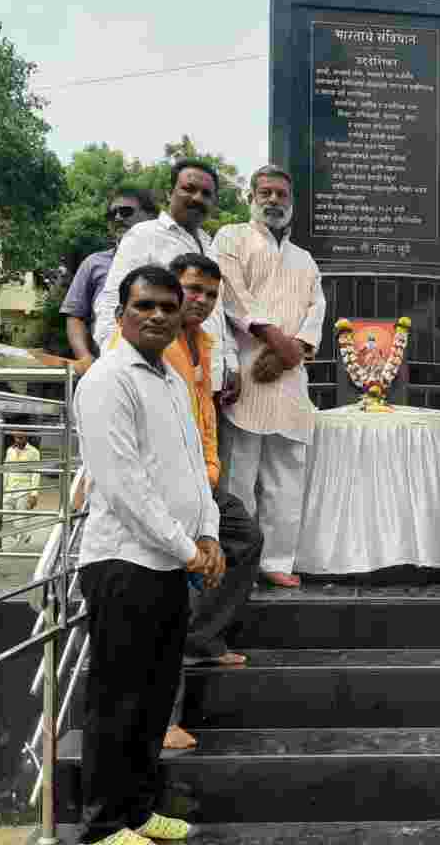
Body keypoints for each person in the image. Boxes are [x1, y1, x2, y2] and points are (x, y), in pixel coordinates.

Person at [76, 264, 225, 845]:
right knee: (118, 699)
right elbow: (123, 485)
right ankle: (104, 824)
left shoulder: (169, 380)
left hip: (168, 563)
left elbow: (193, 469)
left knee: (154, 698)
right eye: (145, 306)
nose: (159, 315)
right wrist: (189, 548)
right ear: (121, 315)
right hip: (123, 563)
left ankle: (138, 810)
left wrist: (208, 535)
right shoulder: (109, 379)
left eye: (168, 305)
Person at [162, 253, 263, 750]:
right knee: (176, 590)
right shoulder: (153, 343)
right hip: (167, 487)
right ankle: (163, 719)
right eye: (191, 289)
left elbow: (203, 420)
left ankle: (204, 639)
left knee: (244, 537)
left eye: (208, 293)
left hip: (203, 479)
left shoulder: (202, 342)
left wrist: (210, 478)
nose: (198, 299)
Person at [214, 164, 326, 588]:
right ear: (251, 197)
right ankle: (239, 561)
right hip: (245, 372)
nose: (274, 200)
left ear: (291, 201)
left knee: (286, 477)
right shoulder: (231, 238)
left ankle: (277, 561)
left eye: (281, 193)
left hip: (290, 378)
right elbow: (232, 295)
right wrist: (275, 340)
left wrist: (288, 353)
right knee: (240, 475)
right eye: (266, 192)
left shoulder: (305, 259)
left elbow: (317, 311)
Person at [93, 159, 239, 396]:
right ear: (169, 192)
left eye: (206, 193)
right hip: (161, 376)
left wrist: (229, 363)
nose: (197, 198)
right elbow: (112, 301)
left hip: (207, 380)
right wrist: (115, 368)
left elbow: (219, 310)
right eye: (189, 189)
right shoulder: (144, 235)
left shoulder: (209, 243)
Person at [61, 189, 158, 372]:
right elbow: (75, 316)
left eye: (126, 211)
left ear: (150, 216)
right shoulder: (94, 263)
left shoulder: (167, 259)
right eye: (111, 214)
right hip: (108, 367)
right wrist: (84, 357)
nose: (118, 218)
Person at [3, 429, 41, 547]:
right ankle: (24, 536)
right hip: (9, 490)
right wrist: (2, 489)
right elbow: (5, 469)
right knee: (4, 519)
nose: (18, 440)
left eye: (21, 437)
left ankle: (18, 547)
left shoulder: (34, 452)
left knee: (21, 522)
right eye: (16, 437)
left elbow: (36, 472)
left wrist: (34, 494)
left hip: (24, 490)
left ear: (26, 437)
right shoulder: (10, 450)